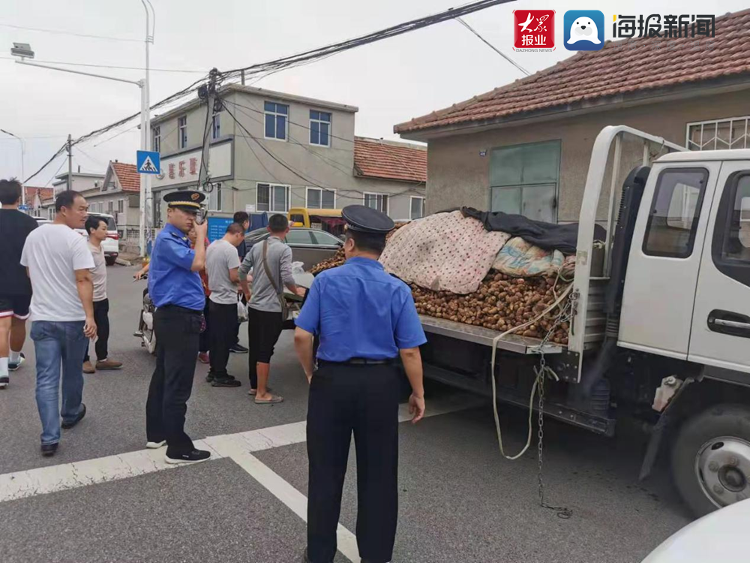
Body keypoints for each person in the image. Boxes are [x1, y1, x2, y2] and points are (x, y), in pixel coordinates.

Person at [294, 205, 427, 563]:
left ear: (349, 243)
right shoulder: (397, 289)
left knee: (325, 472)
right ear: (381, 249)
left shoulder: (325, 281)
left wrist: (311, 374)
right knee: (379, 475)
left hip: (332, 382)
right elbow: (410, 351)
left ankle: (320, 554)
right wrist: (418, 392)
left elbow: (303, 336)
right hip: (380, 384)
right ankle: (376, 554)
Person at [20, 190, 97, 457]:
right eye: (81, 209)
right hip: (73, 319)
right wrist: (90, 315)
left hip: (42, 318)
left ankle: (50, 437)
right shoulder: (75, 241)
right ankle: (71, 413)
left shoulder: (33, 237)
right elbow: (83, 279)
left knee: (46, 379)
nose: (85, 214)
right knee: (73, 371)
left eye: (86, 209)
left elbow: (30, 272)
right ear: (64, 209)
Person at [145, 190, 211, 464]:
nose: (191, 218)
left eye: (195, 213)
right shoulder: (168, 239)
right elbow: (198, 263)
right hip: (179, 318)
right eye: (185, 212)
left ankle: (158, 433)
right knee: (178, 382)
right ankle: (177, 447)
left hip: (175, 317)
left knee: (164, 376)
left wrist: (195, 238)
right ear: (170, 212)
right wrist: (201, 236)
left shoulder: (176, 239)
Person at [239, 213, 301, 403]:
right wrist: (295, 290)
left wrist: (247, 293)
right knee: (266, 349)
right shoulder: (284, 249)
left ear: (268, 229)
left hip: (255, 306)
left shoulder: (258, 246)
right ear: (287, 230)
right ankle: (262, 394)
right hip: (271, 308)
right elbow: (287, 277)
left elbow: (242, 271)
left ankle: (255, 385)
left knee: (256, 346)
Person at [0, 179, 37, 389]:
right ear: (18, 197)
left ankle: (2, 372)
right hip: (24, 282)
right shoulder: (30, 223)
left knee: (1, 326)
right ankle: (14, 359)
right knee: (19, 322)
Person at [205, 223, 245, 387]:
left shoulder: (212, 246)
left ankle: (213, 371)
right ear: (238, 234)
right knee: (225, 339)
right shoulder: (230, 250)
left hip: (213, 297)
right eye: (242, 239)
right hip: (226, 300)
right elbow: (234, 276)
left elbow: (207, 271)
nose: (240, 242)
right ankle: (220, 375)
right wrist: (248, 279)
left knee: (215, 338)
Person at [82, 216, 123, 374]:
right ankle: (84, 360)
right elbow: (82, 277)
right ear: (92, 230)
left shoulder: (99, 247)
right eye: (104, 229)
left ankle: (102, 359)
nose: (107, 232)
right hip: (88, 299)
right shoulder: (86, 251)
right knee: (86, 331)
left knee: (103, 330)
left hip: (101, 297)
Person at [230, 210, 250, 354]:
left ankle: (230, 340)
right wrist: (241, 284)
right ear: (245, 223)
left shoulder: (230, 233)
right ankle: (232, 341)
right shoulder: (240, 237)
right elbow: (239, 262)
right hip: (235, 281)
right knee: (237, 313)